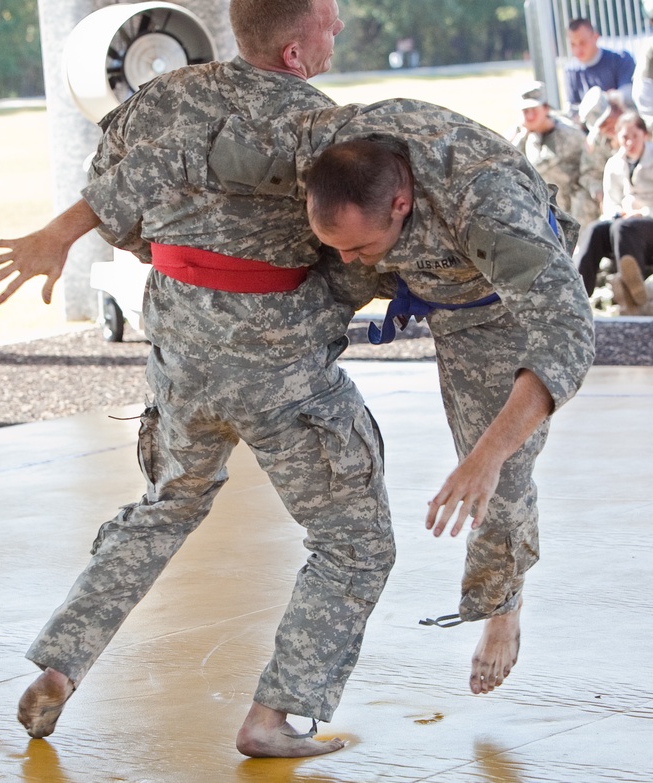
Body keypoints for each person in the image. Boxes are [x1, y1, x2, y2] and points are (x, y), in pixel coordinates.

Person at [0, 0, 395, 759]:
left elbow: (119, 211)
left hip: (180, 350)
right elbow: (357, 244)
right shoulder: (320, 130)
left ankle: (61, 663)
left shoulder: (162, 97)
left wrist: (184, 254)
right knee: (355, 543)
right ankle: (274, 717)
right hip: (278, 365)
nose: (337, 30)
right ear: (294, 52)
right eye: (328, 20)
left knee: (167, 504)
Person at [85, 96, 595, 695]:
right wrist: (62, 234)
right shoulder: (315, 145)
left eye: (354, 245)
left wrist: (485, 455)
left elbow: (568, 333)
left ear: (401, 204)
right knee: (268, 338)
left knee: (502, 477)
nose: (346, 257)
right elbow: (181, 153)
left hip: (490, 300)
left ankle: (501, 604)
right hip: (392, 260)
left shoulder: (491, 203)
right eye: (340, 244)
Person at [573, 112, 653, 312]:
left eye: (635, 136)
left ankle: (633, 289)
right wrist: (619, 212)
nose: (630, 142)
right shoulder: (614, 163)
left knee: (623, 228)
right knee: (596, 229)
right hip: (623, 221)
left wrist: (642, 213)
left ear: (645, 135)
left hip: (647, 222)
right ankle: (576, 294)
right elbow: (610, 202)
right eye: (625, 137)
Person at [510, 81, 597, 226]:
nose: (529, 116)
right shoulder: (527, 134)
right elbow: (508, 161)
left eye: (534, 110)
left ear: (546, 108)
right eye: (525, 111)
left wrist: (525, 134)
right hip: (547, 208)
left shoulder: (567, 133)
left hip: (576, 208)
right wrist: (522, 135)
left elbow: (540, 165)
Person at [564, 18, 635, 119]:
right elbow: (572, 110)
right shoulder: (571, 71)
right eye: (573, 44)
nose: (578, 49)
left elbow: (628, 96)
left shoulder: (620, 59)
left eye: (582, 42)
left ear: (595, 37)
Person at [577, 86, 626, 220]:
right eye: (601, 126)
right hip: (615, 195)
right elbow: (590, 174)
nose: (606, 127)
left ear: (616, 109)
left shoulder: (640, 125)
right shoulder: (598, 142)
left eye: (607, 120)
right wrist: (602, 196)